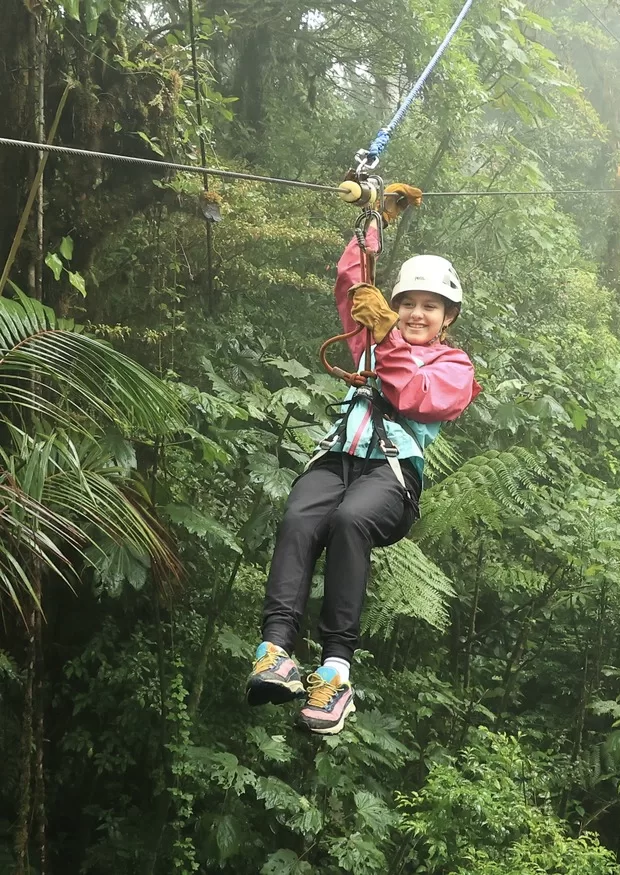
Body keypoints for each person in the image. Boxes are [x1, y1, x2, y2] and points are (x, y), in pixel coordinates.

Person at [245, 184, 481, 735]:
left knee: (350, 521)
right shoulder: (374, 337)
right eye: (407, 304)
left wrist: (388, 337)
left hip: (391, 476)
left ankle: (334, 671)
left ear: (448, 317)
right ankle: (276, 649)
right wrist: (373, 221)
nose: (415, 313)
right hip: (338, 459)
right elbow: (355, 284)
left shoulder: (454, 367)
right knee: (301, 515)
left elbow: (414, 396)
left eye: (429, 307)